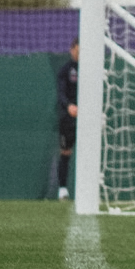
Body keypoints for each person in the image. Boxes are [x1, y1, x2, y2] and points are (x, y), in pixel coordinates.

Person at [54, 39, 78, 200]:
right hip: (68, 118)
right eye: (77, 50)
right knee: (65, 152)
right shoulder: (66, 70)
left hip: (86, 118)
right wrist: (69, 106)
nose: (79, 54)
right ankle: (62, 189)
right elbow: (61, 93)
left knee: (88, 152)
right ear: (72, 50)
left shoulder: (90, 69)